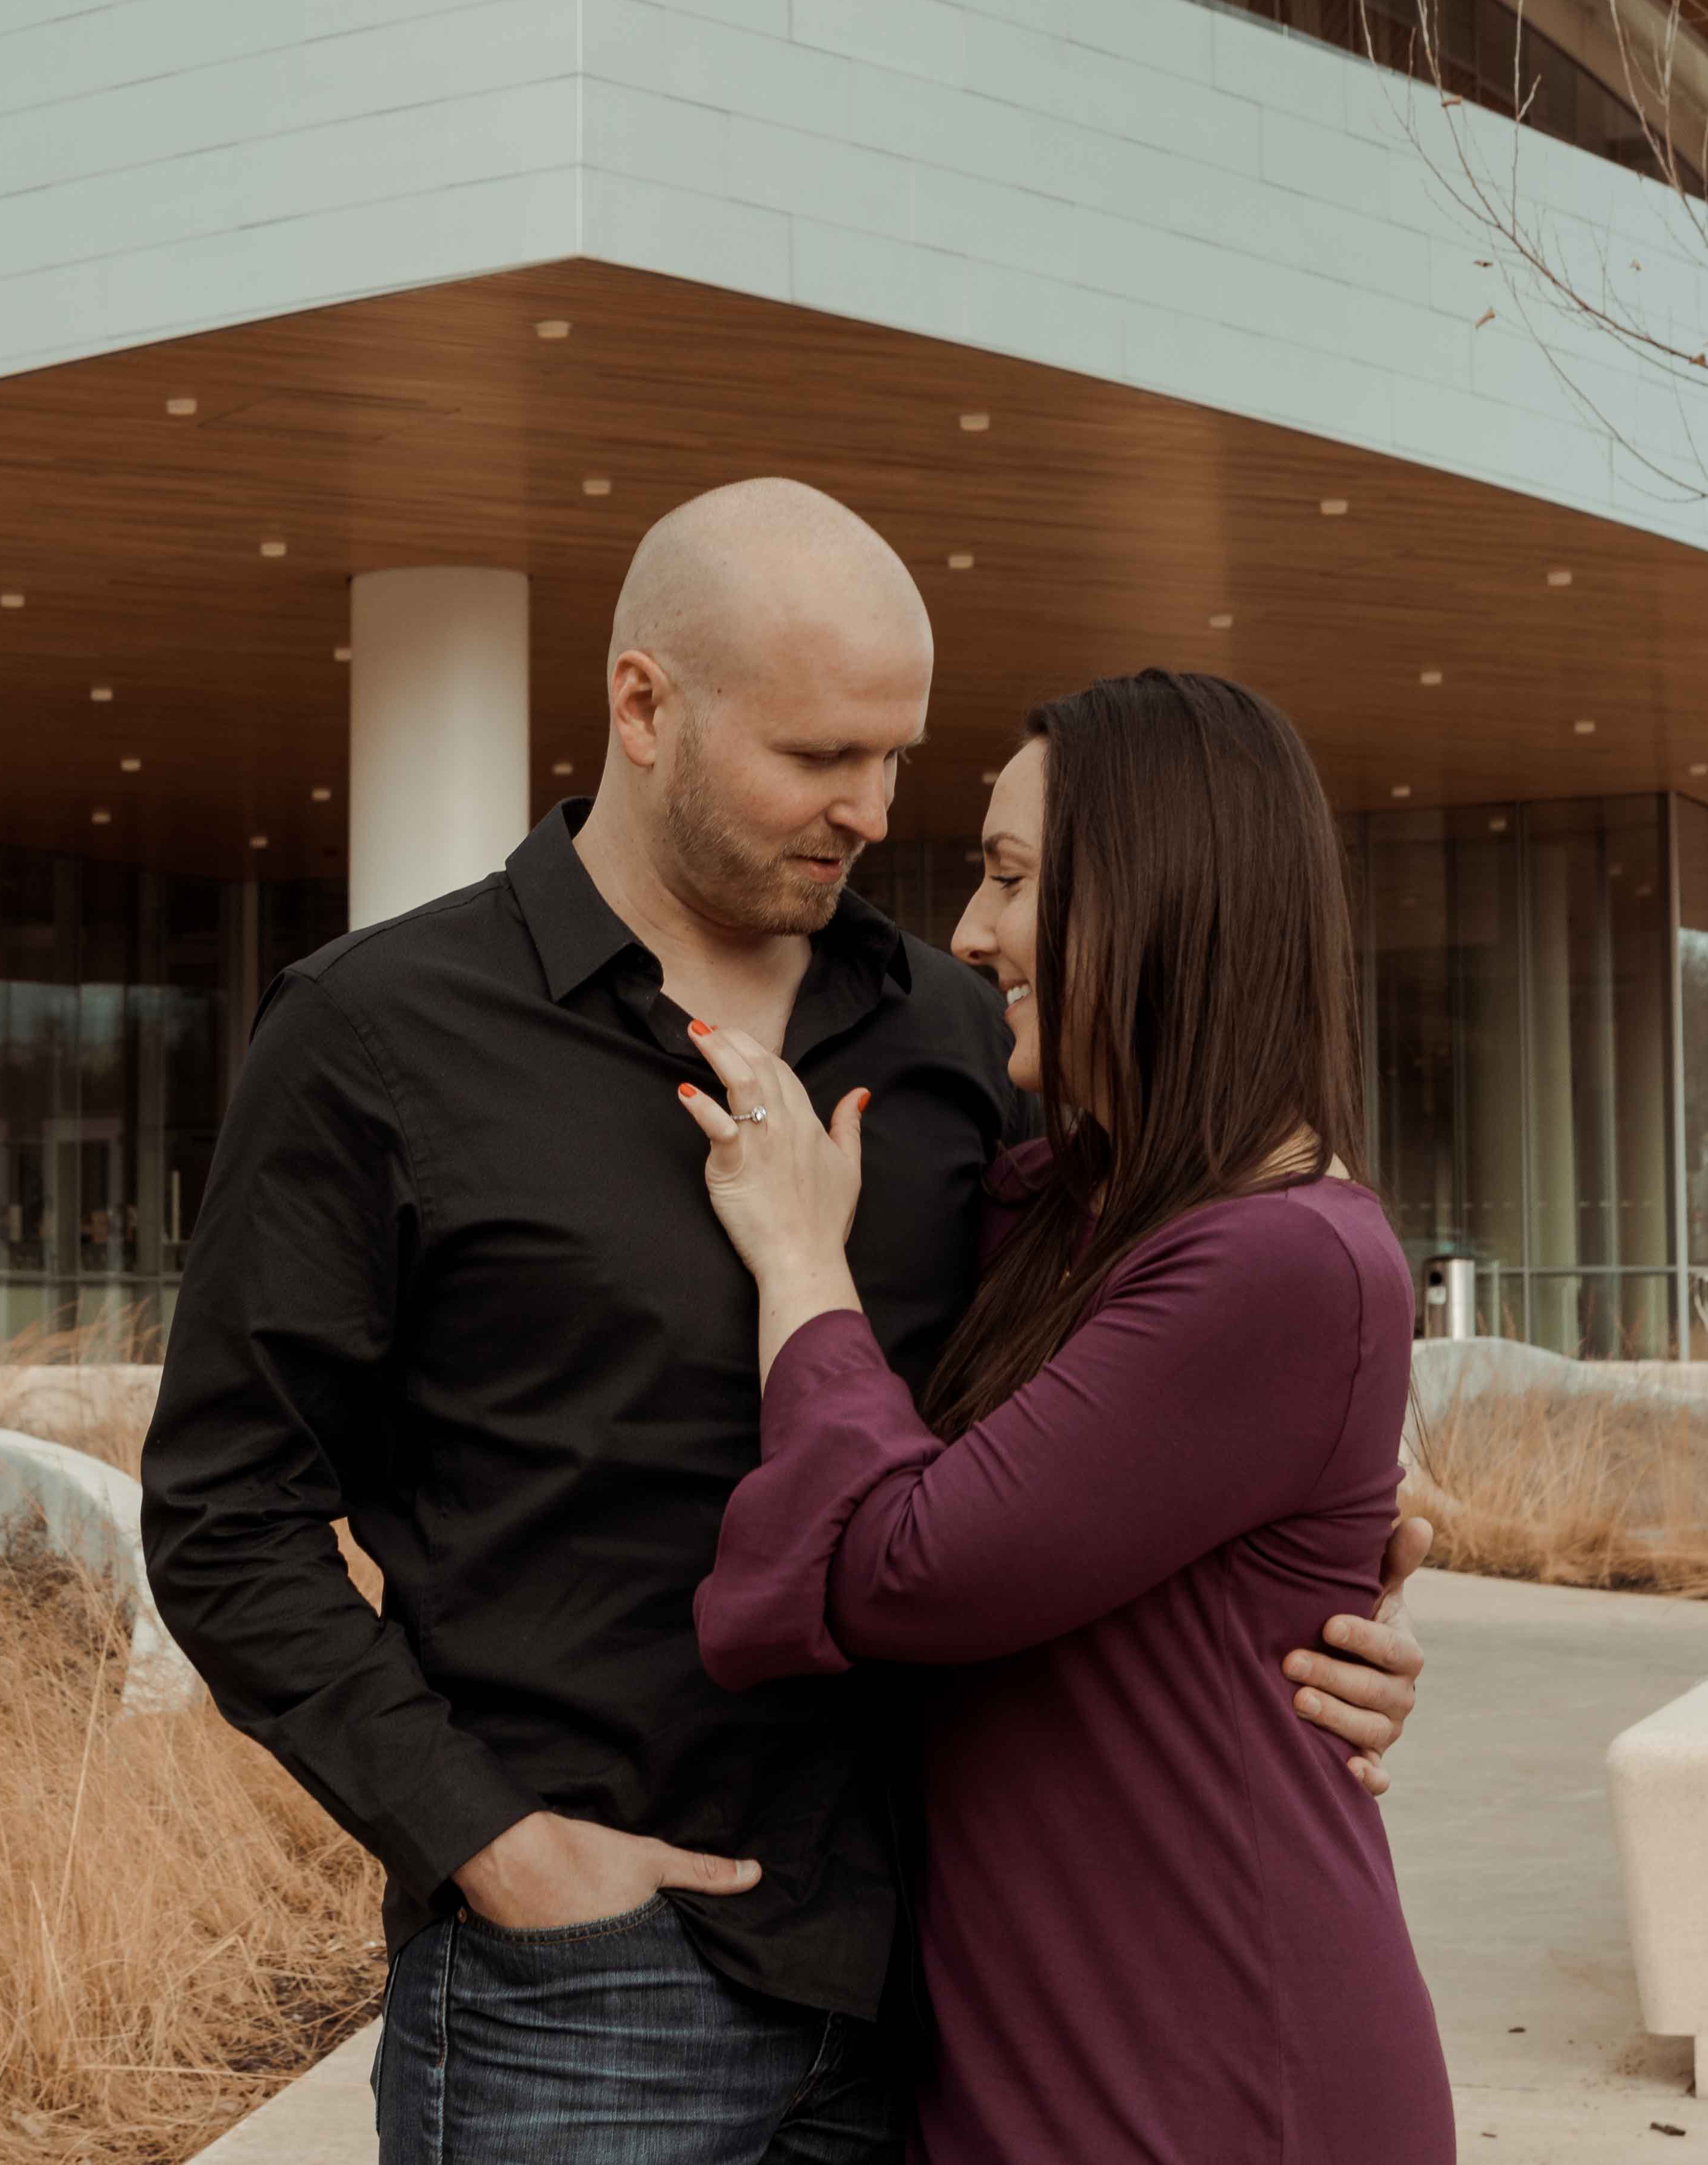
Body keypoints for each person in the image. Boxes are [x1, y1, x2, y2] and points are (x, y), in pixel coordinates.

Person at [142, 481, 1431, 2163]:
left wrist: (1351, 1556)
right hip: (593, 1997)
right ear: (645, 704)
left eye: (893, 759)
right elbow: (224, 1515)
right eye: (819, 758)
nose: (869, 811)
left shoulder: (968, 1035)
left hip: (953, 1986)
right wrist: (495, 1844)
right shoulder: (378, 1035)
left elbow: (1158, 1349)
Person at [683, 670, 1454, 2164]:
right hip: (1043, 2054)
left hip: (1210, 2072)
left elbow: (905, 1567)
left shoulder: (1280, 1255)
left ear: (1165, 900)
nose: (968, 932)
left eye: (1011, 877)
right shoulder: (1070, 1213)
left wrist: (796, 1259)